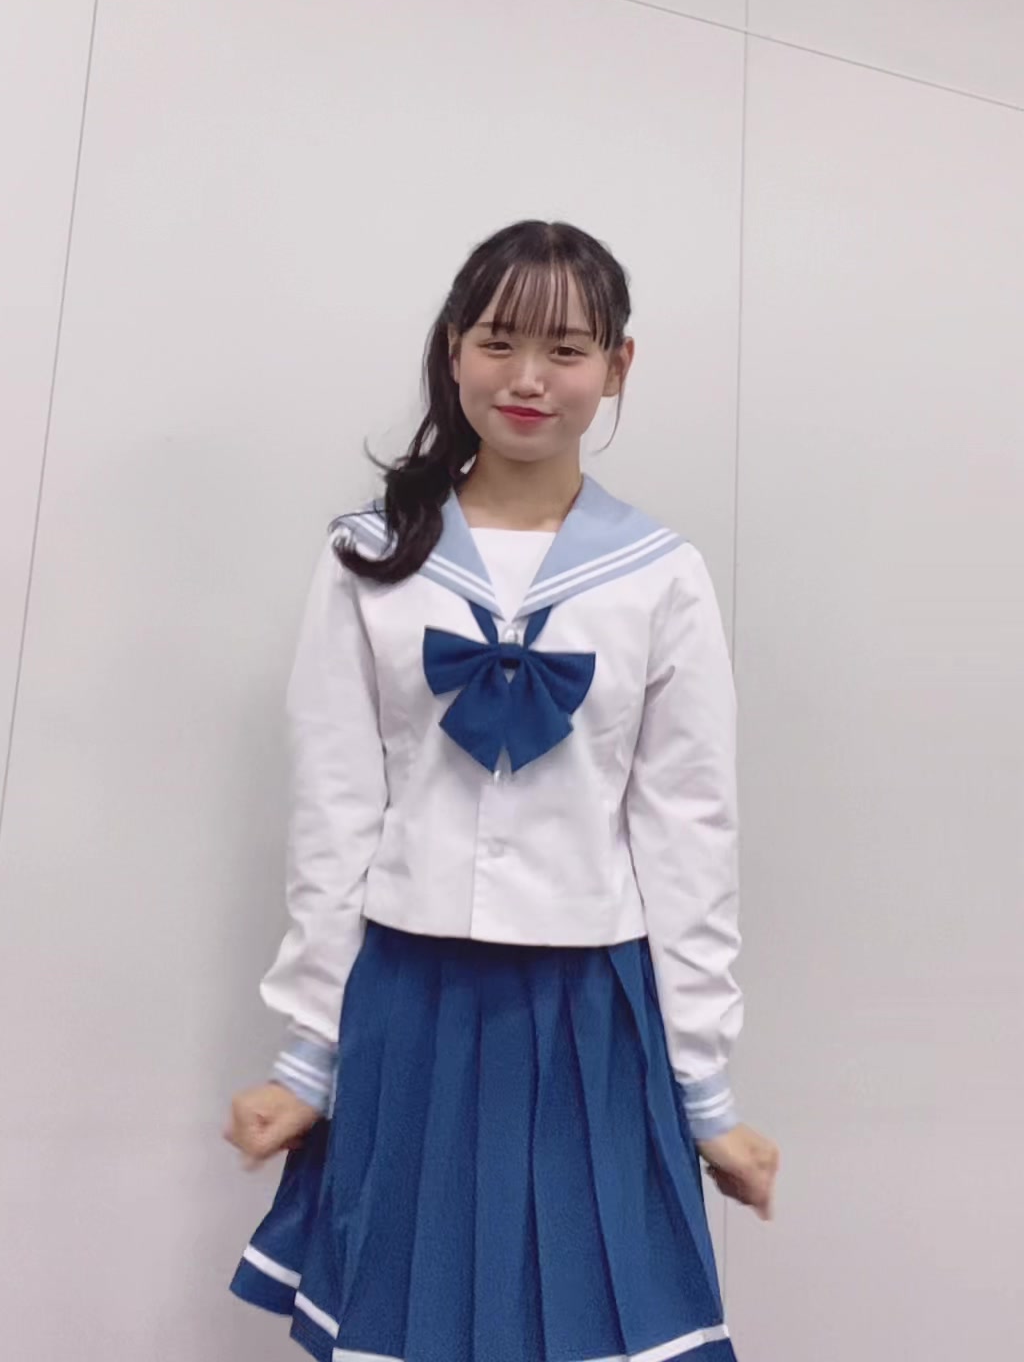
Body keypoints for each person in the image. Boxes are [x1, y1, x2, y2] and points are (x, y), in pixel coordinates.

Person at [226, 218, 779, 1362]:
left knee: (592, 1311)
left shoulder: (662, 577)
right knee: (406, 1311)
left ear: (618, 366)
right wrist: (307, 1057)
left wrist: (707, 1090)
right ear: (454, 350)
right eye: (498, 343)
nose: (529, 378)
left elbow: (690, 836)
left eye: (566, 350)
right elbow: (334, 816)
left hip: (593, 1010)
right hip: (407, 997)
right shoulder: (367, 557)